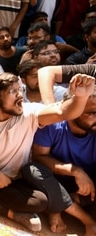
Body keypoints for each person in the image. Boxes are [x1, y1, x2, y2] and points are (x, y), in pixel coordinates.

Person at [0, 72, 95, 232]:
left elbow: (62, 112)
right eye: (12, 91)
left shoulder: (30, 113)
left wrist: (80, 97)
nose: (19, 96)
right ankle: (6, 211)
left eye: (20, 90)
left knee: (39, 202)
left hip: (14, 181)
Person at [31, 87, 96, 235]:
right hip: (57, 182)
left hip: (89, 187)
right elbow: (39, 157)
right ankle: (84, 219)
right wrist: (75, 171)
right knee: (33, 170)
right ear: (73, 110)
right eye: (92, 113)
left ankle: (58, 206)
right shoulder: (52, 126)